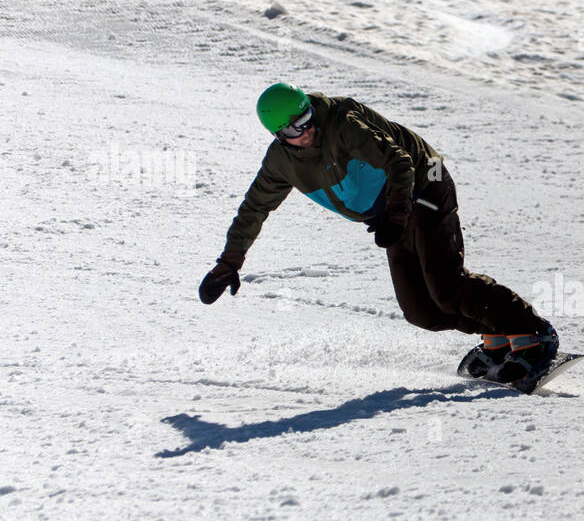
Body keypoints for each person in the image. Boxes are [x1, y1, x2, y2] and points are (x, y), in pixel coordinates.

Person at [198, 83, 558, 383]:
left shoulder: (342, 122)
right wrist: (228, 263)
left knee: (445, 284)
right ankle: (497, 334)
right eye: (294, 129)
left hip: (425, 180)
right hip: (392, 209)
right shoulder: (281, 163)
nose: (306, 129)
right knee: (422, 312)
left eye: (306, 117)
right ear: (279, 136)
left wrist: (398, 212)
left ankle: (531, 333)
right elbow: (253, 210)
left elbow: (399, 160)